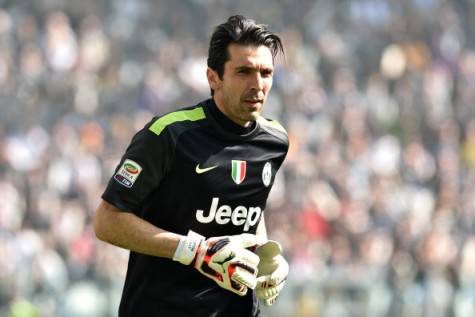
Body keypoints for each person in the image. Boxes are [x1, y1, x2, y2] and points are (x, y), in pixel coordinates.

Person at [93, 15, 289, 317]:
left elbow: (248, 206)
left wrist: (264, 253)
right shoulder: (168, 135)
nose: (257, 85)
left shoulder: (275, 140)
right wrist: (194, 252)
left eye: (266, 73)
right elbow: (107, 221)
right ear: (213, 78)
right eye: (244, 72)